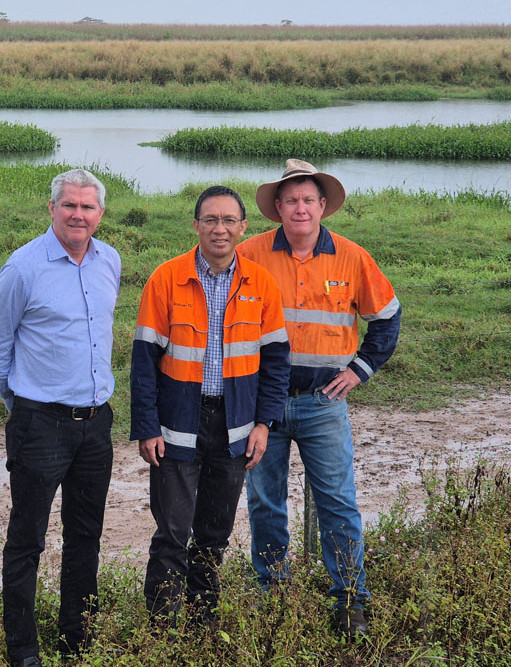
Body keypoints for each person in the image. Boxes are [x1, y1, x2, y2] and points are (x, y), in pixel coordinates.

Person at [237, 159, 401, 639]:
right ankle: (273, 594)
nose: (300, 208)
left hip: (323, 404)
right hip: (261, 407)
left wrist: (359, 370)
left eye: (308, 200)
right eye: (291, 201)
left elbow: (387, 318)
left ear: (323, 206)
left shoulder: (352, 257)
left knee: (337, 503)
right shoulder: (250, 254)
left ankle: (351, 601)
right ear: (278, 209)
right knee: (265, 503)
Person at [130, 185, 290, 626]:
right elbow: (144, 363)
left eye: (228, 221)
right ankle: (162, 632)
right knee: (172, 533)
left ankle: (203, 626)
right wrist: (146, 427)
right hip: (177, 425)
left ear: (243, 227)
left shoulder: (261, 284)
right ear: (195, 225)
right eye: (210, 220)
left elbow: (276, 362)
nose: (219, 229)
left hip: (235, 426)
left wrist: (264, 424)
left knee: (214, 533)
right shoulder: (167, 278)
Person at [0, 168, 121, 667]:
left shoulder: (110, 261)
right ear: (52, 209)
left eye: (88, 207)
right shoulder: (23, 268)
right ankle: (23, 650)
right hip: (40, 423)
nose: (78, 215)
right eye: (70, 206)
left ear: (100, 214)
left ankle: (77, 638)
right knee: (27, 540)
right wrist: (24, 408)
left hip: (96, 424)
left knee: (85, 535)